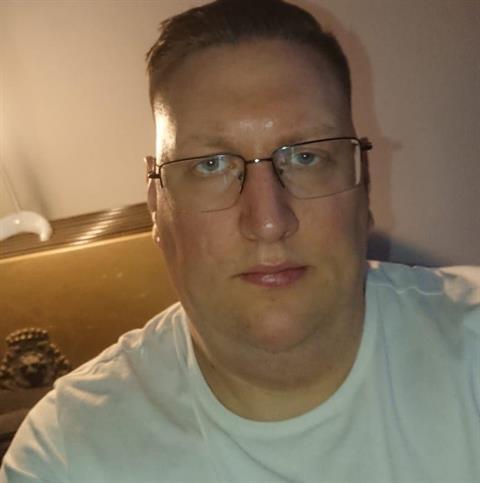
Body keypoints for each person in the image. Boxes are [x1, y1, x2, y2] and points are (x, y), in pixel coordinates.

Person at [1, 0, 479, 481]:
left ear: (364, 184)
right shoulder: (67, 452)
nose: (269, 222)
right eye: (210, 165)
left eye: (307, 157)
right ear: (156, 205)